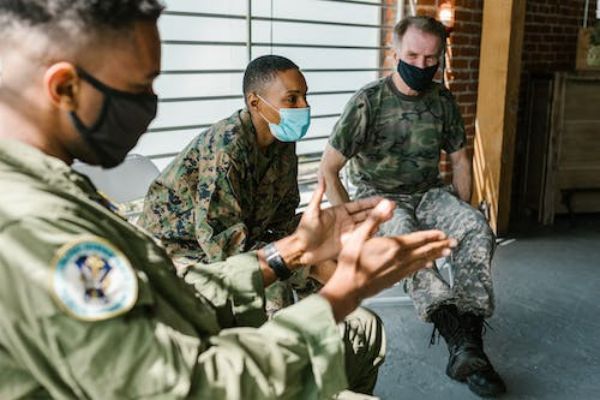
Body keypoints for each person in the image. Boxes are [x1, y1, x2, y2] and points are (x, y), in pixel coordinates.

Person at [0, 1, 455, 398]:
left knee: (360, 327)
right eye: (139, 88)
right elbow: (184, 383)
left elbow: (177, 290)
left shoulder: (61, 189)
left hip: (223, 265)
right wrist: (337, 291)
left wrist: (296, 248)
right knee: (323, 315)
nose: (151, 108)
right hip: (197, 252)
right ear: (64, 88)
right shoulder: (33, 229)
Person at [318, 16, 506, 398]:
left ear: (441, 57)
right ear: (395, 54)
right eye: (413, 56)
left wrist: (459, 214)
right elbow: (329, 167)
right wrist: (351, 222)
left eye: (431, 58)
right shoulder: (368, 101)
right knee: (407, 242)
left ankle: (469, 340)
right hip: (380, 196)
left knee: (476, 228)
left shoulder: (442, 100)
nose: (422, 65)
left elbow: (460, 160)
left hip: (428, 193)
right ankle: (460, 342)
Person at [139, 55, 326, 315]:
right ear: (255, 102)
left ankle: (323, 323)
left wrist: (313, 245)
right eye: (292, 99)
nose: (304, 106)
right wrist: (303, 265)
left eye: (305, 96)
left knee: (323, 235)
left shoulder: (281, 141)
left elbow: (282, 216)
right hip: (180, 249)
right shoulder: (226, 149)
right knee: (275, 283)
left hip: (242, 235)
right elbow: (222, 245)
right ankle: (281, 338)